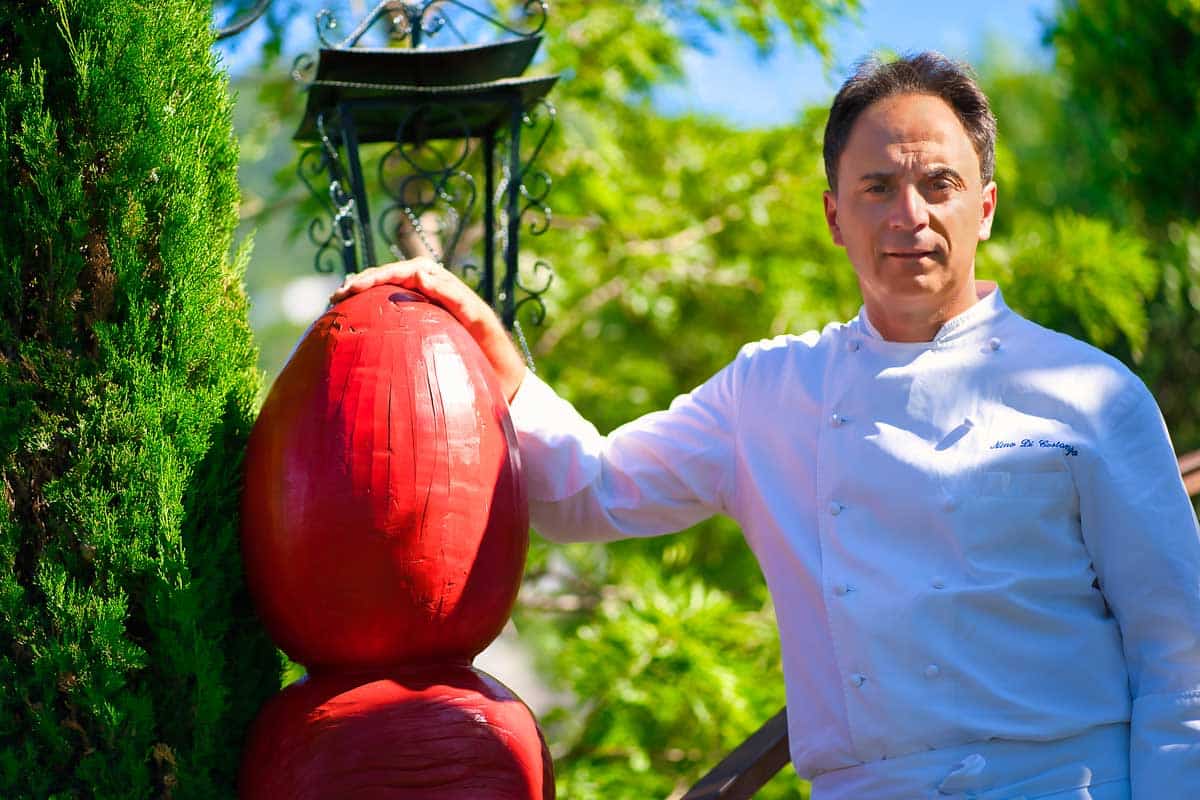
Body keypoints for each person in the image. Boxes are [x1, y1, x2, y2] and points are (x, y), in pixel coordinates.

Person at [329, 52, 1200, 799]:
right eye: (878, 187)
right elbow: (590, 493)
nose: (911, 215)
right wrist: (495, 354)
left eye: (940, 185)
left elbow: (1182, 661)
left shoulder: (1090, 393)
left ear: (987, 206)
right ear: (834, 216)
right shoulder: (773, 391)